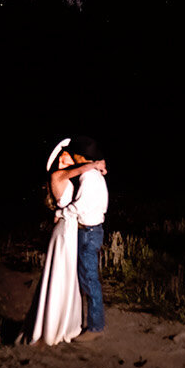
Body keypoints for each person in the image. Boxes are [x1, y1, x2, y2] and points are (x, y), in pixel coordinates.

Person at [20, 137, 107, 345]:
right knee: (69, 275)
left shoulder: (87, 176)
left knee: (78, 277)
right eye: (64, 157)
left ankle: (81, 323)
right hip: (70, 228)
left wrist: (95, 165)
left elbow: (80, 196)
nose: (67, 159)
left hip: (77, 229)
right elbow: (77, 174)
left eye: (70, 156)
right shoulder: (60, 174)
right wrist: (94, 164)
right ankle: (61, 322)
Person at [67, 133, 109, 340]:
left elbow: (81, 205)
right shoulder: (94, 175)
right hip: (92, 230)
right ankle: (93, 324)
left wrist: (62, 213)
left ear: (82, 158)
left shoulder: (90, 177)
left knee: (90, 279)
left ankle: (95, 327)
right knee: (88, 278)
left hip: (89, 231)